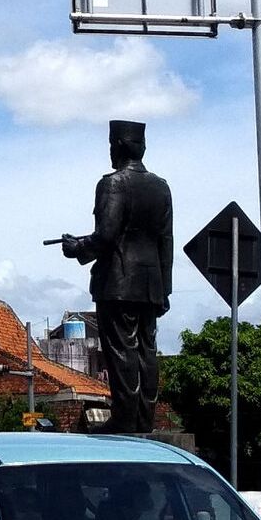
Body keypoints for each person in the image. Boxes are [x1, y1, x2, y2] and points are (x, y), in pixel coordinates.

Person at [61, 120, 173, 434]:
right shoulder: (161, 186)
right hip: (151, 284)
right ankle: (143, 417)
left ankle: (124, 417)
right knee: (146, 350)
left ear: (120, 146)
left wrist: (77, 248)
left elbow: (107, 235)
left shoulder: (113, 184)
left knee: (122, 350)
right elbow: (166, 240)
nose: (111, 152)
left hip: (119, 282)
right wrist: (165, 289)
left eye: (112, 146)